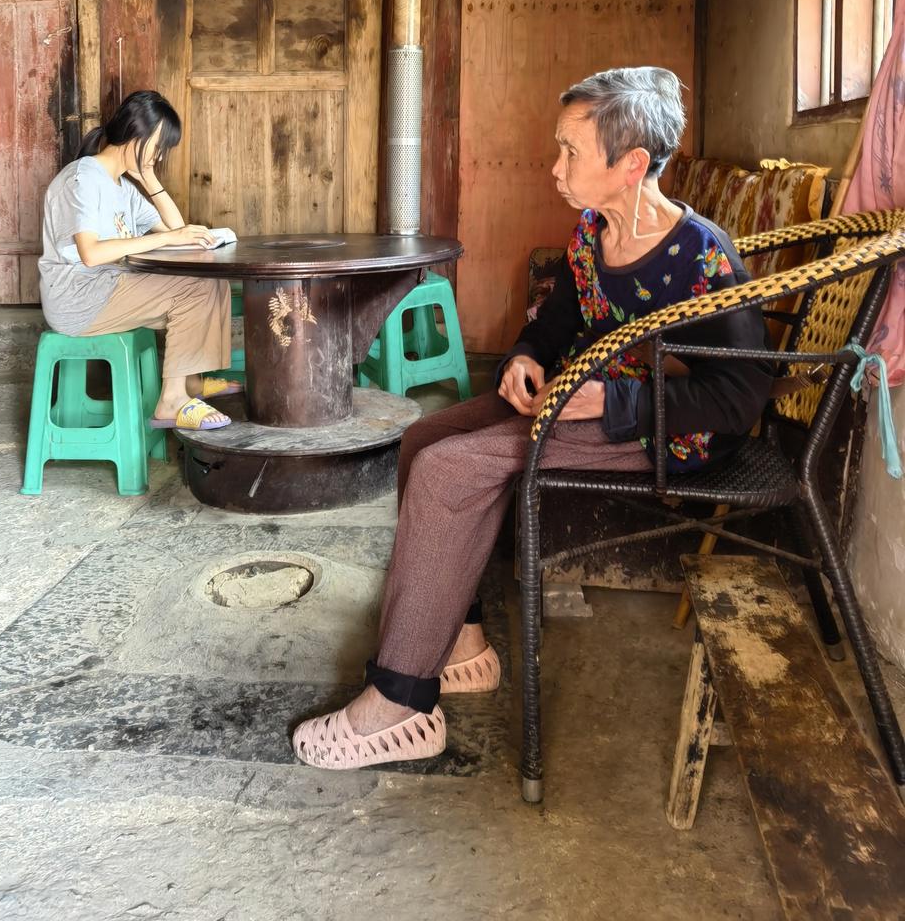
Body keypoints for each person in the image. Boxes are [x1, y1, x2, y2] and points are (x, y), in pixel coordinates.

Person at [292, 66, 774, 770]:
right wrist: (523, 356)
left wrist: (615, 403)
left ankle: (401, 702)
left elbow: (740, 398)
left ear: (632, 164)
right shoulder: (592, 233)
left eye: (571, 152)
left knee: (451, 470)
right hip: (583, 396)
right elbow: (557, 322)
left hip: (666, 433)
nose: (555, 168)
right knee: (426, 437)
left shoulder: (701, 257)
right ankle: (460, 643)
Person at [38, 90, 238, 431]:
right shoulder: (83, 179)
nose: (159, 157)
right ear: (137, 134)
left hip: (108, 288)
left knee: (211, 280)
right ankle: (172, 402)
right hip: (78, 297)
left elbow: (178, 230)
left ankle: (189, 384)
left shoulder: (123, 187)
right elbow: (91, 253)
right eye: (158, 147)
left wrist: (151, 180)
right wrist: (165, 238)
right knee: (194, 290)